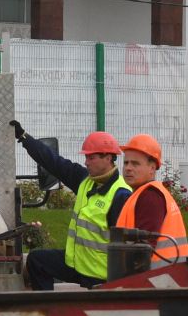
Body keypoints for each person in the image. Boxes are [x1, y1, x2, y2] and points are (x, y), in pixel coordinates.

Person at [10, 121, 130, 288]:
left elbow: (126, 247)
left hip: (101, 276)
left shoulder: (121, 195)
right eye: (86, 157)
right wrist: (24, 138)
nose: (86, 162)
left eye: (91, 157)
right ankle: (48, 312)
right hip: (78, 264)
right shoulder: (85, 180)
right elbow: (53, 162)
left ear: (108, 158)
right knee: (37, 260)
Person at [115, 133, 188, 269]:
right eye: (126, 162)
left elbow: (143, 251)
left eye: (135, 163)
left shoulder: (150, 197)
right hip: (164, 278)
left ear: (152, 168)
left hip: (155, 280)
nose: (128, 168)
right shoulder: (145, 193)